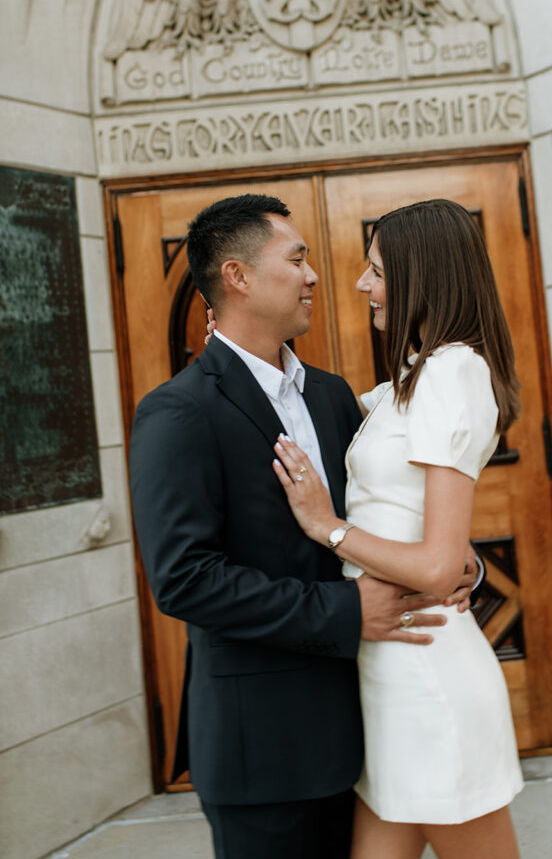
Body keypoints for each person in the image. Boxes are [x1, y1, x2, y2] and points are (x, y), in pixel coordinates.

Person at [129, 193, 482, 859]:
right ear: (237, 277)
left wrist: (458, 564)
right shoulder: (178, 413)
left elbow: (380, 517)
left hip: (367, 730)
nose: (316, 275)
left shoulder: (330, 395)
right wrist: (346, 610)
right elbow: (184, 581)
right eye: (297, 259)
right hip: (263, 752)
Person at [271, 198, 524, 859]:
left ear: (423, 276)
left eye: (377, 271)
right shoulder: (409, 382)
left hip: (430, 680)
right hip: (389, 673)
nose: (361, 285)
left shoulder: (450, 373)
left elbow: (439, 568)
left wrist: (328, 528)